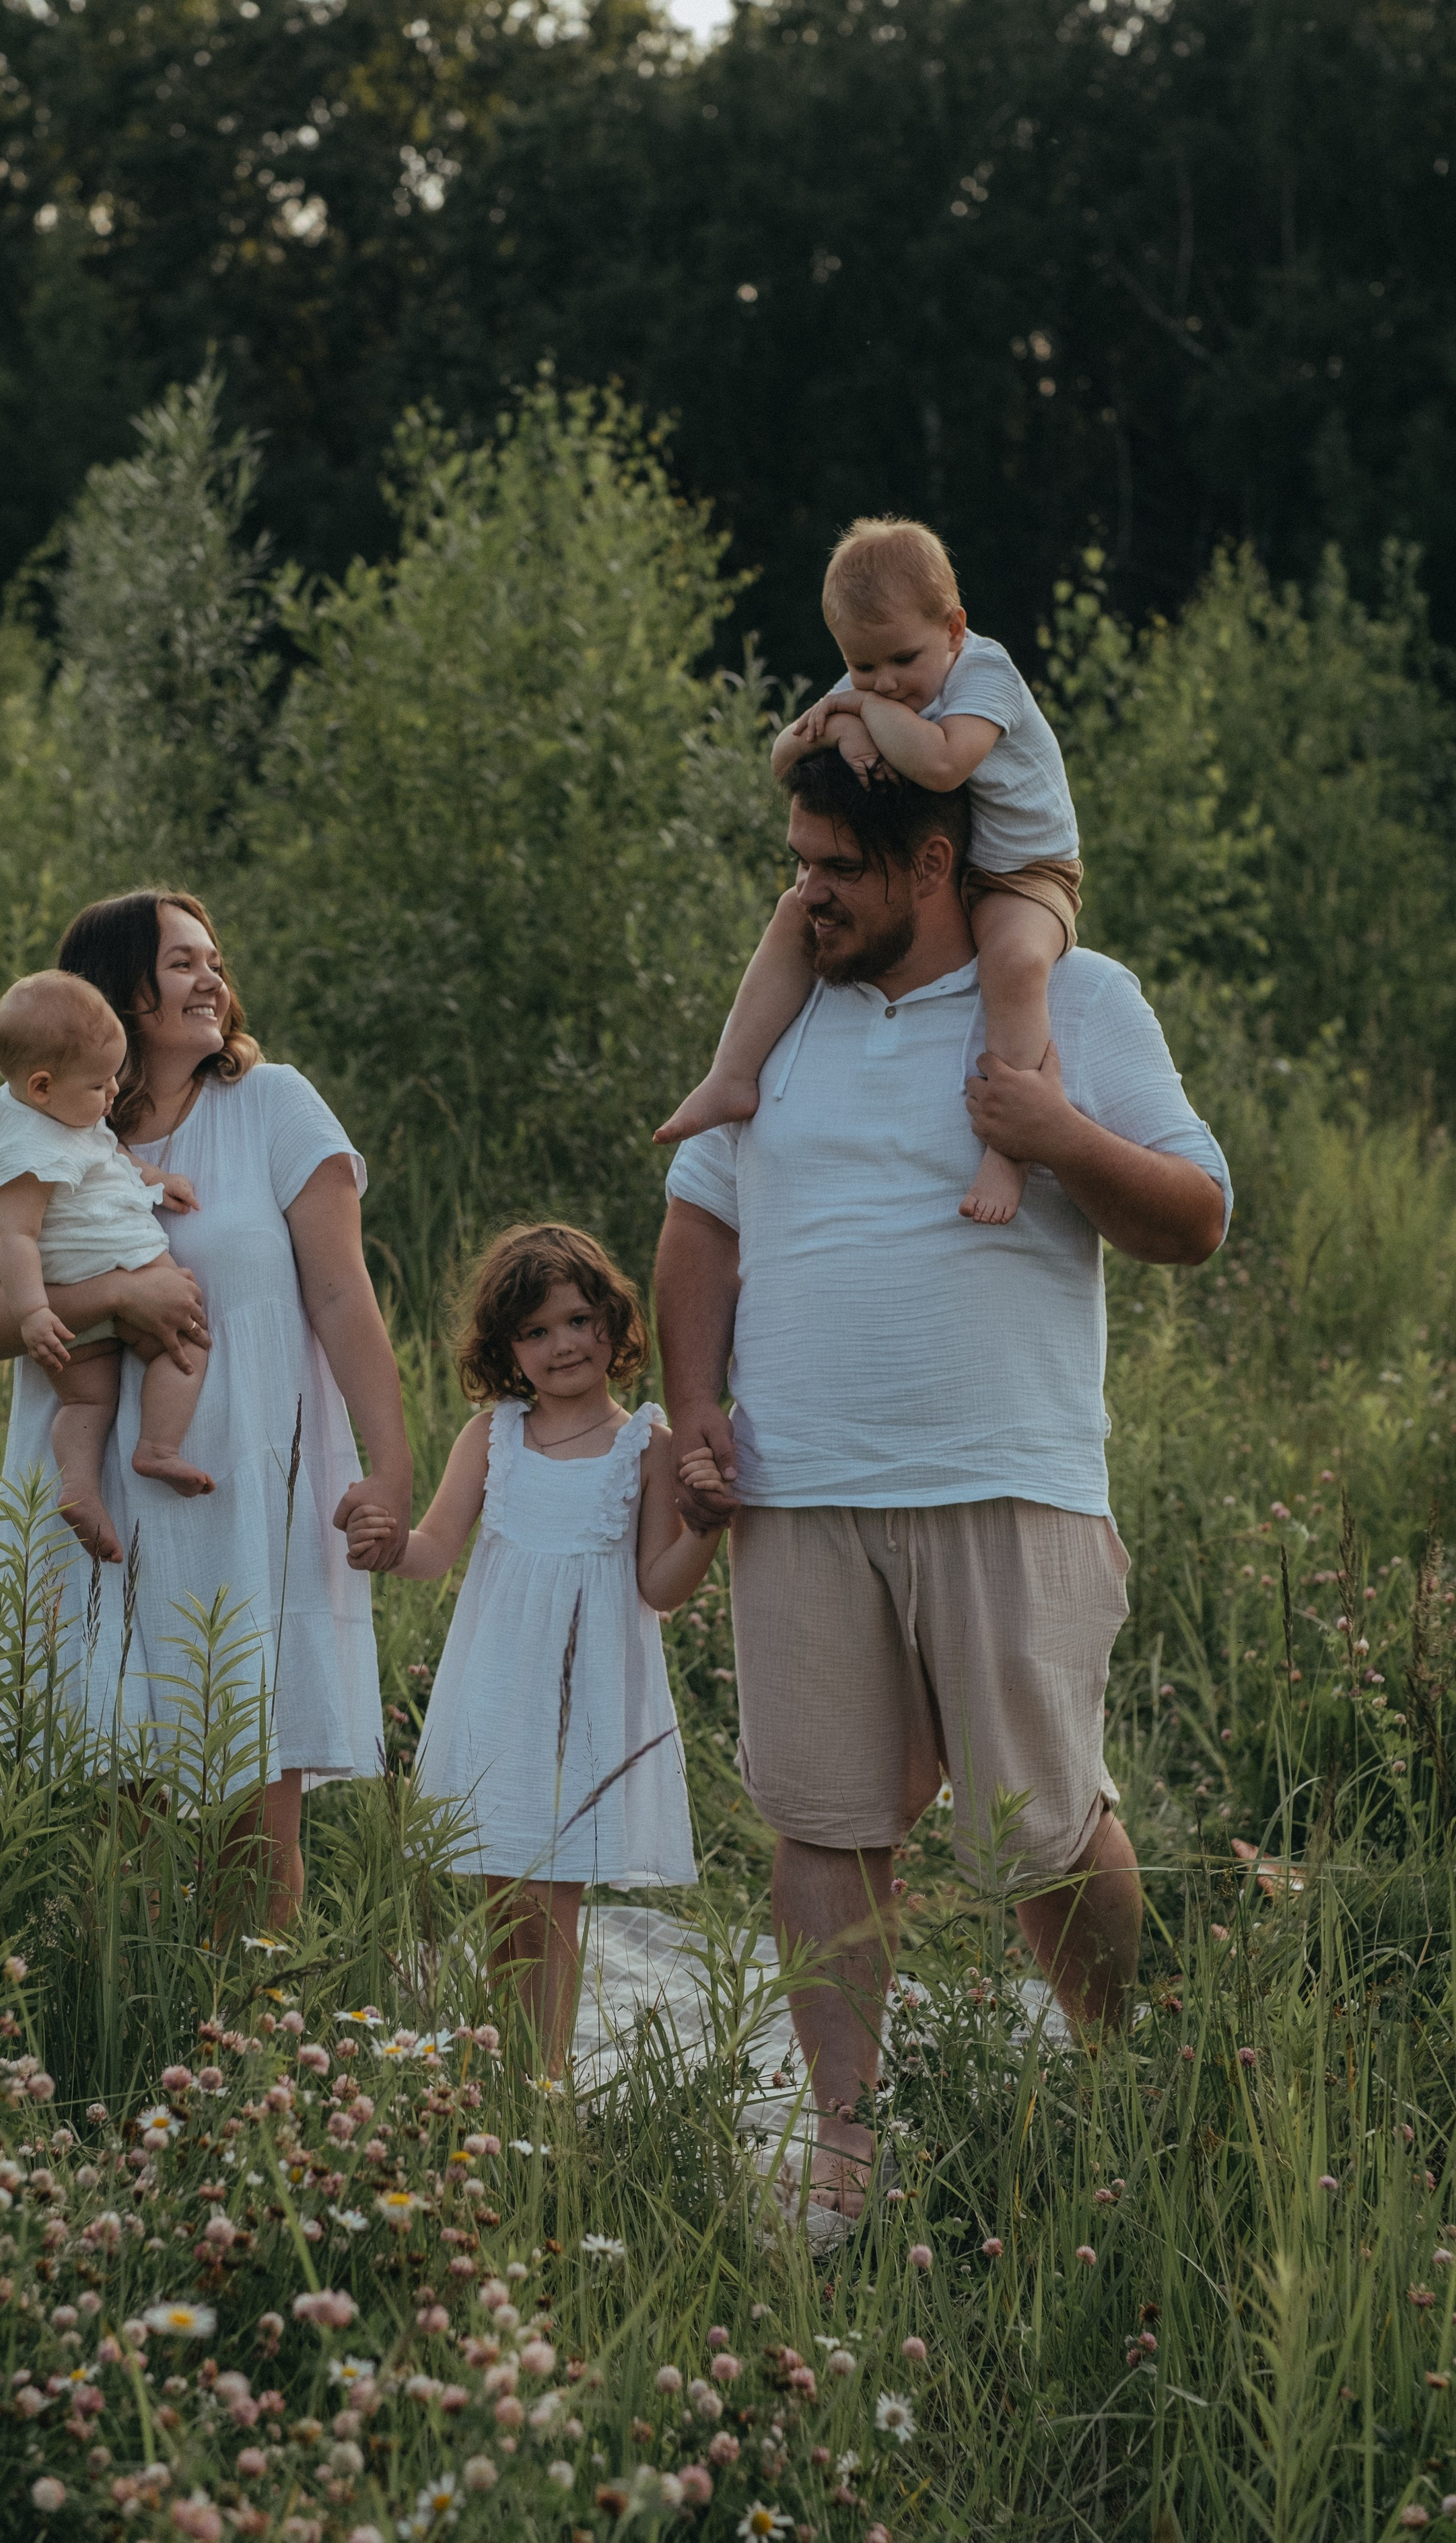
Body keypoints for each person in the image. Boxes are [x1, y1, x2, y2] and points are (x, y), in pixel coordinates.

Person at [657, 749, 1229, 2234]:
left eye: (837, 866)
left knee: (1046, 1826)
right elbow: (700, 1226)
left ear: (931, 866)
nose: (806, 893)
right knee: (823, 1818)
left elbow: (1196, 1216)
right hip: (799, 1487)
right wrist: (695, 1406)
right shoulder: (780, 1014)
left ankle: (1124, 2084)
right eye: (797, 860)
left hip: (1006, 1477)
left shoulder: (1074, 1000)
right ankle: (846, 2142)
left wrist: (1058, 1139)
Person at [0, 889, 411, 1924]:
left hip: (243, 1499)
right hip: (101, 1512)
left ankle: (257, 2019)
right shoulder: (39, 1125)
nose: (212, 979)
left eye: (214, 960)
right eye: (183, 962)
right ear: (123, 992)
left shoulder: (274, 1104)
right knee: (122, 1833)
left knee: (257, 1818)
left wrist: (393, 1464)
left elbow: (344, 1298)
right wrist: (115, 1295)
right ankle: (127, 2019)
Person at [347, 1224, 719, 2074]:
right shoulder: (492, 1436)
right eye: (535, 1331)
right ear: (506, 1348)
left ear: (613, 1322)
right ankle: (502, 2072)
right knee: (503, 1897)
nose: (562, 1345)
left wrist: (704, 1531)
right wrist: (387, 1546)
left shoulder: (647, 1445)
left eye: (579, 1320)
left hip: (583, 1701)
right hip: (498, 1691)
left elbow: (660, 1587)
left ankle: (540, 2082)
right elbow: (434, 1548)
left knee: (550, 1903)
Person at [657, 516, 1080, 1228]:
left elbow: (942, 762)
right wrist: (848, 718)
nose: (886, 682)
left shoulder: (987, 674)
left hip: (1026, 870)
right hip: (944, 871)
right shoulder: (879, 682)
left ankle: (1010, 1147)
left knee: (1012, 962)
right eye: (861, 667)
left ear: (953, 628)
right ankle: (731, 1076)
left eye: (902, 660)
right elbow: (782, 756)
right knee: (794, 911)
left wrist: (858, 708)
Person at [0, 969, 214, 1563]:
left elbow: (109, 1155)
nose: (112, 1093)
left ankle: (79, 1489)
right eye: (99, 1084)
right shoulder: (26, 1154)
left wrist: (156, 1179)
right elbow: (16, 1237)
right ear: (41, 1086)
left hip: (79, 1307)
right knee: (185, 1339)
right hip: (109, 1266)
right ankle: (158, 1446)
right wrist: (33, 1312)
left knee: (86, 1402)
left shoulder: (51, 1111)